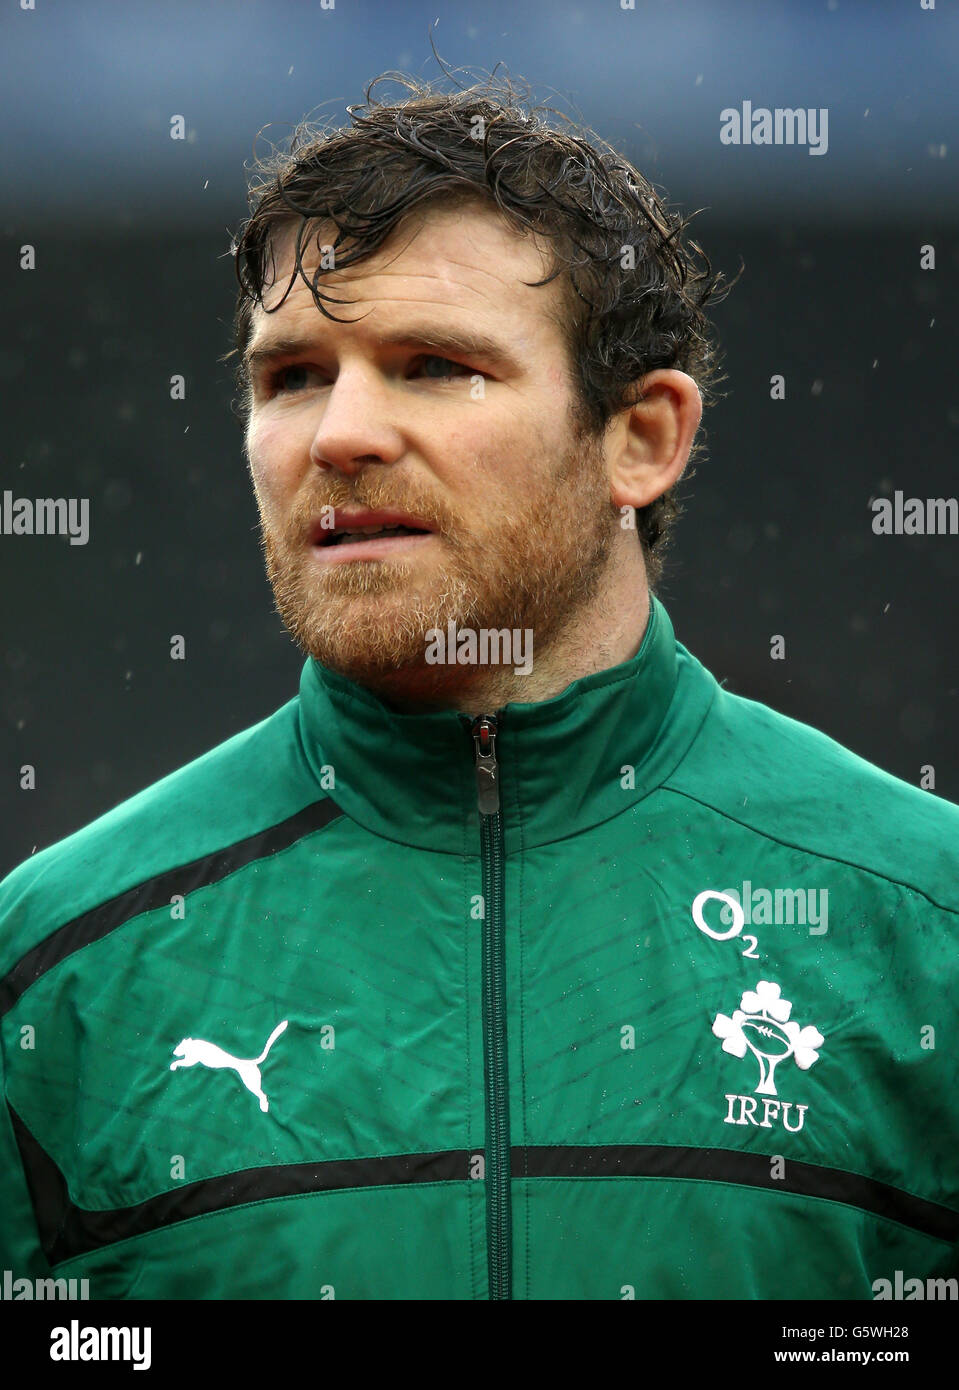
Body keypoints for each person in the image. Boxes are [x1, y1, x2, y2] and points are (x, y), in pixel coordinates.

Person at [1, 74, 957, 1302]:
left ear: (640, 438)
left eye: (433, 364)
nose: (337, 434)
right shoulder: (55, 967)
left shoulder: (923, 925)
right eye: (290, 376)